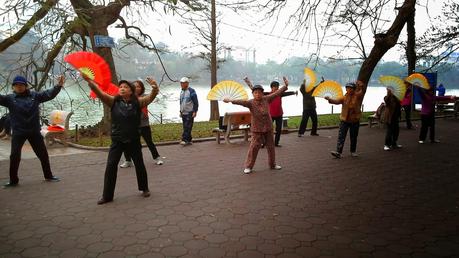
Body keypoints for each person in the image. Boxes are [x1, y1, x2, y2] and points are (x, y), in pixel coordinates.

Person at [82, 75, 159, 205]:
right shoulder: (113, 101)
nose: (122, 89)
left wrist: (155, 88)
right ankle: (107, 196)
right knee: (111, 166)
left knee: (139, 165)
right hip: (117, 140)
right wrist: (90, 81)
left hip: (133, 139)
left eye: (126, 87)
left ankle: (144, 188)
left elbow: (151, 97)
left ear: (131, 91)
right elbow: (99, 93)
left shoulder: (138, 102)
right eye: (121, 87)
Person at [0, 75, 64, 187]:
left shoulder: (35, 96)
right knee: (14, 156)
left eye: (21, 85)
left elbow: (49, 94)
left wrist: (58, 86)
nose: (19, 87)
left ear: (26, 86)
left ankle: (48, 176)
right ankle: (13, 180)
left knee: (43, 154)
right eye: (16, 85)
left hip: (33, 131)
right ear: (13, 87)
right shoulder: (9, 99)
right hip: (18, 132)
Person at [223, 77, 289, 174]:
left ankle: (272, 164)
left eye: (259, 92)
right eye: (255, 92)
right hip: (257, 129)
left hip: (268, 127)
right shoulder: (250, 102)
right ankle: (248, 166)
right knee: (254, 148)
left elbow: (277, 93)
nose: (258, 94)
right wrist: (230, 100)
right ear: (253, 94)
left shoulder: (267, 99)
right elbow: (241, 102)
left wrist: (285, 86)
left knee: (271, 147)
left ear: (262, 93)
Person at [120, 80, 164, 168]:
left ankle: (157, 158)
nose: (137, 88)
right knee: (127, 142)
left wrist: (154, 88)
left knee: (149, 142)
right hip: (131, 125)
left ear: (142, 88)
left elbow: (151, 96)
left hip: (143, 123)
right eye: (135, 86)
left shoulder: (144, 97)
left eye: (139, 86)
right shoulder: (127, 98)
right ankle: (128, 160)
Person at [244, 78, 296, 147]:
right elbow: (255, 91)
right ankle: (264, 143)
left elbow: (286, 93)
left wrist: (294, 92)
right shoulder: (267, 95)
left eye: (277, 87)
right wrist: (248, 82)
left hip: (279, 114)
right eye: (275, 87)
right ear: (271, 87)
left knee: (278, 130)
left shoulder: (279, 94)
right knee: (266, 130)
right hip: (270, 115)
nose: (276, 88)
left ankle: (276, 143)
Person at [325, 81, 365, 159]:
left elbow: (361, 92)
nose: (349, 90)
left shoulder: (357, 96)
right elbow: (336, 101)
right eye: (348, 88)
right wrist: (329, 99)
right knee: (341, 136)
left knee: (353, 137)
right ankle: (338, 152)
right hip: (344, 120)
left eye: (351, 88)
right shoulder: (344, 97)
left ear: (354, 89)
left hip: (354, 120)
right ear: (346, 89)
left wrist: (361, 87)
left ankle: (353, 151)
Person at [179, 77, 198, 146]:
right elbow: (181, 102)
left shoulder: (191, 91)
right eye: (181, 83)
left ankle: (184, 140)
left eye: (183, 83)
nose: (181, 84)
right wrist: (180, 111)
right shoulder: (181, 92)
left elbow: (196, 102)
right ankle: (189, 140)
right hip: (183, 112)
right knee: (185, 126)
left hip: (190, 112)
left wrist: (195, 111)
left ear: (187, 83)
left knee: (188, 126)